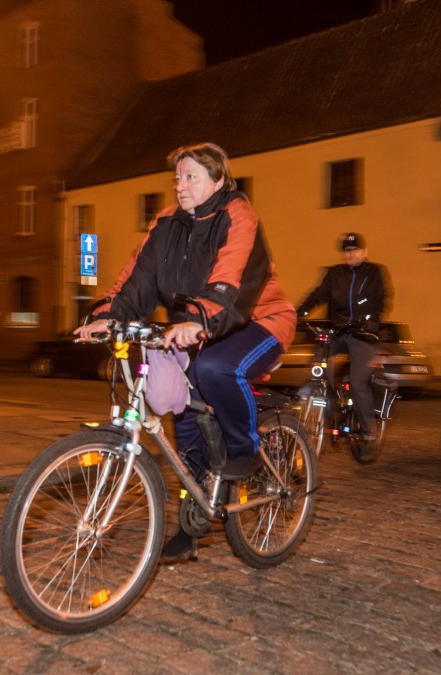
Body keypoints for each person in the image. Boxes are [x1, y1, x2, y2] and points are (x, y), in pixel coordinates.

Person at [75, 142, 296, 560]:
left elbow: (230, 277)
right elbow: (134, 281)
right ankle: (193, 521)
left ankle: (246, 448)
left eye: (191, 176)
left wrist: (200, 317)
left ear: (218, 180)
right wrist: (105, 314)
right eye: (177, 177)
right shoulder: (165, 224)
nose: (181, 184)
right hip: (197, 328)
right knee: (184, 410)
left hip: (258, 320)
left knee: (214, 369)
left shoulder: (238, 214)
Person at [296, 232, 389, 449]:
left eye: (354, 250)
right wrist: (298, 312)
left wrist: (370, 320)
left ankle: (369, 430)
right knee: (319, 363)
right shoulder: (335, 274)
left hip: (363, 334)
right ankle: (325, 401)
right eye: (346, 251)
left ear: (364, 252)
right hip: (338, 331)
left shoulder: (374, 272)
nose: (350, 254)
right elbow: (318, 295)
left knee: (358, 383)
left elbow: (382, 300)